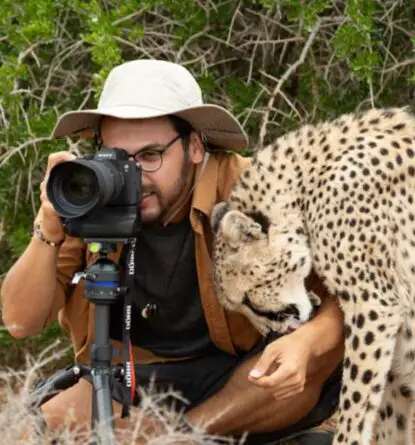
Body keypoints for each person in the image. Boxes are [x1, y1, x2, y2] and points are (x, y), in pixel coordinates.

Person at [0, 60, 344, 443]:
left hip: (240, 379)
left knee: (308, 356)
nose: (134, 174)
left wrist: (308, 342)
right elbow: (20, 322)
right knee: (34, 427)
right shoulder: (91, 195)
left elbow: (352, 296)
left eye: (150, 156)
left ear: (195, 146)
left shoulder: (254, 191)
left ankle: (187, 437)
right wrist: (47, 227)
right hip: (135, 380)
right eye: (118, 156)